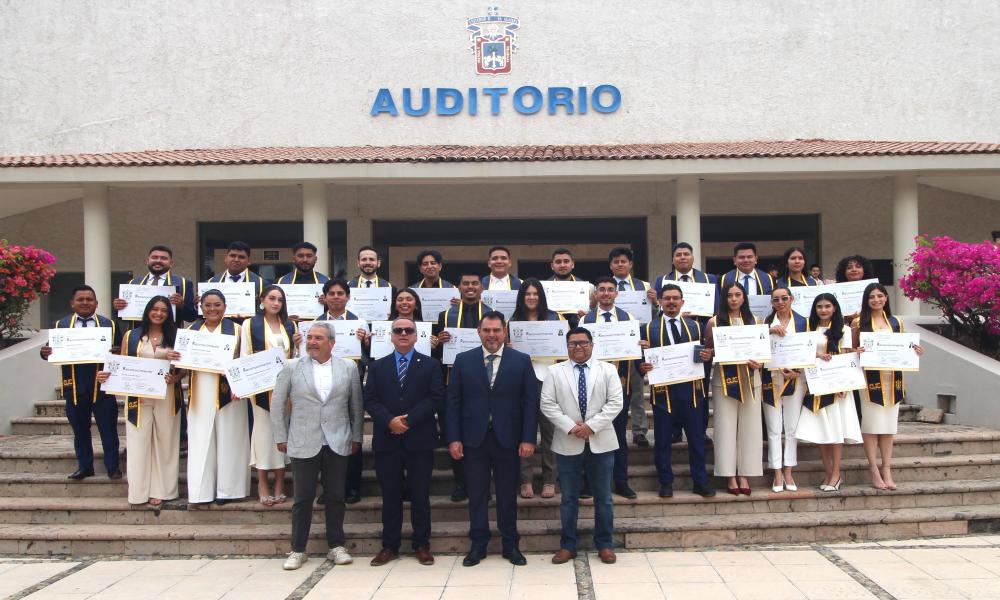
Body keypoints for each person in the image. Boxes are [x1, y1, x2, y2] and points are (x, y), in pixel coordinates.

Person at [447, 311, 538, 567]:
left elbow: (530, 403)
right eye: (487, 330)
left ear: (504, 332)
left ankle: (511, 545)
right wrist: (453, 438)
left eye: (496, 330)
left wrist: (528, 438)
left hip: (508, 439)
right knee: (477, 495)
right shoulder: (463, 360)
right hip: (473, 440)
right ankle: (478, 545)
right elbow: (452, 403)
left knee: (508, 495)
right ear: (479, 332)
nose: (492, 335)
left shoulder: (521, 361)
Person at [271, 320, 363, 571]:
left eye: (318, 338)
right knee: (303, 498)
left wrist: (356, 436)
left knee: (335, 495)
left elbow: (356, 405)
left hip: (337, 439)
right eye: (310, 337)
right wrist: (280, 435)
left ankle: (336, 545)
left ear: (332, 343)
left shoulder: (348, 367)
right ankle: (298, 549)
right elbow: (278, 404)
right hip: (302, 439)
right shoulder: (291, 366)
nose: (312, 342)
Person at [364, 317, 444, 567]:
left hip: (419, 439)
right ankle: (390, 545)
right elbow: (370, 400)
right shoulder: (378, 367)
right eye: (398, 330)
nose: (403, 334)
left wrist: (408, 420)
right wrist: (390, 421)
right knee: (390, 495)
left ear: (416, 334)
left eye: (408, 330)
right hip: (387, 440)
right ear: (391, 335)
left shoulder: (430, 365)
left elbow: (435, 397)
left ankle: (421, 544)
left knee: (420, 494)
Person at [540, 327, 622, 565]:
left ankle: (605, 544)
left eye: (583, 343)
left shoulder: (608, 370)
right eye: (573, 343)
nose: (578, 347)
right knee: (568, 497)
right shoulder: (555, 371)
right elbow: (547, 404)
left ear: (592, 344)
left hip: (601, 440)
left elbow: (615, 402)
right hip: (568, 440)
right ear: (566, 347)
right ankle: (568, 545)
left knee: (604, 497)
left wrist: (591, 426)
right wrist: (570, 426)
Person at [98, 295, 183, 509]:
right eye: (154, 309)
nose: (159, 313)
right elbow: (122, 364)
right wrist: (107, 376)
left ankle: (163, 490)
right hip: (138, 397)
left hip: (168, 394)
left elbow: (186, 368)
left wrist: (177, 376)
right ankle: (138, 491)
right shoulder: (132, 335)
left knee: (166, 443)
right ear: (147, 311)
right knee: (138, 442)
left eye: (164, 310)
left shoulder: (176, 336)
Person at [638, 284, 715, 498]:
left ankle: (700, 481)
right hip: (664, 394)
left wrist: (707, 357)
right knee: (662, 441)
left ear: (682, 301)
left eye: (675, 298)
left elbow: (704, 357)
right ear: (660, 302)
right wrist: (641, 366)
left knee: (696, 440)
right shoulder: (647, 328)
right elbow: (639, 362)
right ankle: (665, 482)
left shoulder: (696, 327)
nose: (671, 302)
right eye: (667, 298)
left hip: (691, 393)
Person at [40, 285, 122, 480]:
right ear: (72, 303)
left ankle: (113, 467)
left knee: (108, 429)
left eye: (89, 299)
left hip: (103, 386)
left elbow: (120, 352)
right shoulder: (61, 325)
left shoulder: (108, 324)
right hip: (74, 386)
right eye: (80, 299)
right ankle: (85, 466)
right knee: (80, 430)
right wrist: (44, 353)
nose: (85, 303)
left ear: (96, 303)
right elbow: (51, 351)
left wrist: (117, 352)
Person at [853, 282, 924, 490]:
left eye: (880, 296)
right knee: (871, 426)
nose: (876, 300)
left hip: (892, 379)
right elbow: (851, 349)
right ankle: (874, 470)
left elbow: (904, 348)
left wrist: (916, 351)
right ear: (867, 301)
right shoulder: (859, 322)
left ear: (886, 298)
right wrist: (857, 351)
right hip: (869, 381)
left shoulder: (895, 322)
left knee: (888, 428)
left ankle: (887, 469)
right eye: (872, 297)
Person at [182, 290, 248, 505]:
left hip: (230, 392)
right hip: (201, 388)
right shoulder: (190, 331)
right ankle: (200, 492)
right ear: (200, 307)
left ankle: (229, 491)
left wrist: (238, 384)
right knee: (200, 440)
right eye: (207, 305)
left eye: (217, 305)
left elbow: (244, 360)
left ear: (225, 307)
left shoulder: (238, 330)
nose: (212, 309)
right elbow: (182, 365)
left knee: (231, 439)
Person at [651, 241, 717, 445]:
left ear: (693, 257)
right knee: (671, 388)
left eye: (686, 254)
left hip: (698, 339)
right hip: (669, 338)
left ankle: (701, 429)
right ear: (673, 259)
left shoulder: (709, 279)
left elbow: (715, 309)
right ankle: (674, 430)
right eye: (678, 254)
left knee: (700, 387)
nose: (682, 257)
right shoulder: (662, 280)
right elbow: (660, 309)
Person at [436, 272, 494, 502]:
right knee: (456, 433)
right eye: (465, 283)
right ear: (458, 287)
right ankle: (461, 483)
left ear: (481, 287)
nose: (470, 287)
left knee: (486, 437)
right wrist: (439, 342)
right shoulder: (445, 315)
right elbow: (438, 352)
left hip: (487, 382)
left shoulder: (492, 315)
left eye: (474, 283)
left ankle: (484, 486)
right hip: (454, 381)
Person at [580, 276, 639, 499]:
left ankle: (620, 481)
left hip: (619, 384)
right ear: (596, 294)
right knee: (588, 434)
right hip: (591, 383)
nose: (606, 293)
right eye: (601, 290)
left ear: (616, 293)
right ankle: (587, 482)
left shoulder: (628, 318)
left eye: (610, 290)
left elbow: (634, 353)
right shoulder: (586, 320)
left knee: (618, 435)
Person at [239, 285, 298, 506]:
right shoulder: (249, 324)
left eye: (280, 300)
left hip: (285, 389)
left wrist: (299, 345)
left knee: (282, 435)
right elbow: (245, 355)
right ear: (262, 300)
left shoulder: (290, 325)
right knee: (264, 436)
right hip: (261, 388)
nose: (276, 303)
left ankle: (280, 484)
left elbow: (295, 356)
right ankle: (263, 483)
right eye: (272, 298)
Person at [797, 293, 863, 491]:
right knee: (822, 432)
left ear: (834, 308)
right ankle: (827, 473)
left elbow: (847, 357)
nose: (823, 310)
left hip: (837, 388)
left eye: (827, 306)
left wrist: (843, 385)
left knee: (835, 432)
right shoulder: (808, 329)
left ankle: (836, 475)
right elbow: (801, 354)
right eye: (819, 306)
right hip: (815, 386)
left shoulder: (843, 329)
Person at [704, 281, 764, 495]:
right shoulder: (714, 322)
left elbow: (762, 353)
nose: (734, 299)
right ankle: (729, 475)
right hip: (724, 380)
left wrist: (760, 363)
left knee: (750, 428)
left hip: (750, 379)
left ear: (744, 297)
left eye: (738, 294)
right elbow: (708, 351)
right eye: (729, 295)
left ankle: (745, 474)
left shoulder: (755, 321)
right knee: (725, 427)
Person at [314, 279, 369, 504]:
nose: (336, 297)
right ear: (324, 298)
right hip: (322, 385)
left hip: (350, 383)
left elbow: (370, 356)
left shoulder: (360, 323)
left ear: (348, 297)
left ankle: (353, 487)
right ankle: (329, 489)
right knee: (324, 439)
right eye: (332, 293)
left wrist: (366, 343)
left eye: (340, 293)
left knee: (353, 434)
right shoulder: (314, 324)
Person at [510, 278, 563, 499]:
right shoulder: (513, 321)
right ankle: (526, 481)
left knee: (550, 433)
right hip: (521, 382)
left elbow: (564, 352)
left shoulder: (554, 319)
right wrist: (509, 347)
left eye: (535, 294)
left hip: (549, 380)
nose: (531, 298)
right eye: (527, 294)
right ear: (522, 297)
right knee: (524, 432)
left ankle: (550, 480)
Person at [762, 285, 809, 492]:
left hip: (794, 379)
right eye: (776, 299)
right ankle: (777, 472)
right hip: (771, 380)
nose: (780, 302)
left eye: (784, 298)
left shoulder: (803, 321)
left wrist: (798, 371)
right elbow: (756, 347)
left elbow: (807, 350)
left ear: (791, 299)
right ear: (771, 303)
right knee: (773, 428)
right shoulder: (764, 322)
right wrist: (767, 331)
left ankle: (789, 470)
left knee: (791, 428)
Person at [607, 247, 653, 449]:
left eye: (623, 261)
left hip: (635, 344)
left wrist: (656, 302)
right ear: (611, 265)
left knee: (636, 388)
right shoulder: (604, 287)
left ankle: (639, 430)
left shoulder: (643, 286)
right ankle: (609, 427)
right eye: (616, 262)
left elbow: (653, 314)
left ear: (631, 264)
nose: (619, 264)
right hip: (609, 346)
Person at [112, 245, 198, 325]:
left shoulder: (183, 283)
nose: (158, 261)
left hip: (170, 336)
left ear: (171, 263)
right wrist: (118, 308)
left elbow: (191, 317)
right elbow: (123, 318)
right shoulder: (133, 283)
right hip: (139, 335)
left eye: (163, 258)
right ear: (147, 261)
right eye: (154, 257)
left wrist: (181, 306)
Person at [546, 248, 591, 328]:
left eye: (566, 261)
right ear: (552, 266)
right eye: (558, 262)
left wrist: (586, 317)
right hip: (551, 330)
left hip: (579, 331)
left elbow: (593, 314)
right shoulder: (543, 288)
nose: (562, 265)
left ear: (572, 264)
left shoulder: (588, 288)